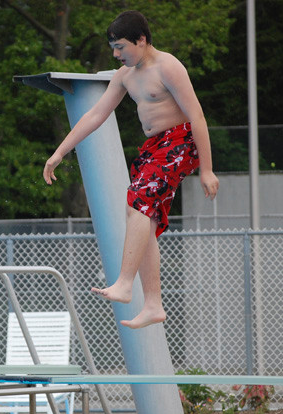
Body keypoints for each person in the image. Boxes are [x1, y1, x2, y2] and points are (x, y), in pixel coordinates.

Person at [43, 10, 219, 329]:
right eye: (113, 47)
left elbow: (198, 117)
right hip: (155, 147)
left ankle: (125, 283)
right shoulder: (125, 75)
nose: (116, 53)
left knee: (140, 204)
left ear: (141, 40)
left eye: (121, 46)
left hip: (181, 140)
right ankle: (153, 304)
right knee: (139, 215)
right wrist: (59, 152)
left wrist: (207, 170)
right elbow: (95, 115)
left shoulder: (169, 67)